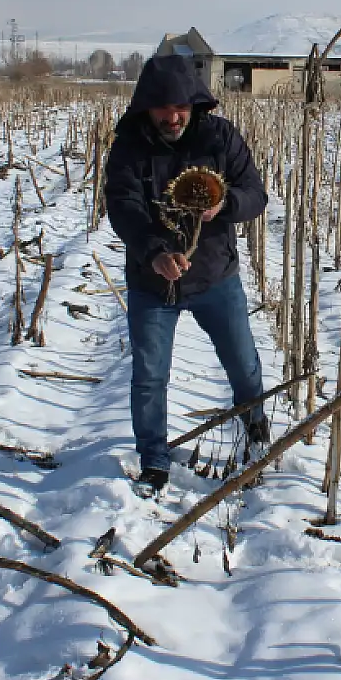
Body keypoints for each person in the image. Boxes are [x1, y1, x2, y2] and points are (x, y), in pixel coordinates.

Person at [104, 54, 270, 493]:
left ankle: (255, 428)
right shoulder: (129, 145)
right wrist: (154, 251)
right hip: (153, 282)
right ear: (145, 107)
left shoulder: (219, 136)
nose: (174, 117)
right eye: (163, 108)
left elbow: (256, 194)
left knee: (243, 366)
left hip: (216, 275)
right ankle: (154, 459)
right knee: (150, 376)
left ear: (195, 103)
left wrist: (226, 203)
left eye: (181, 107)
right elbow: (122, 206)